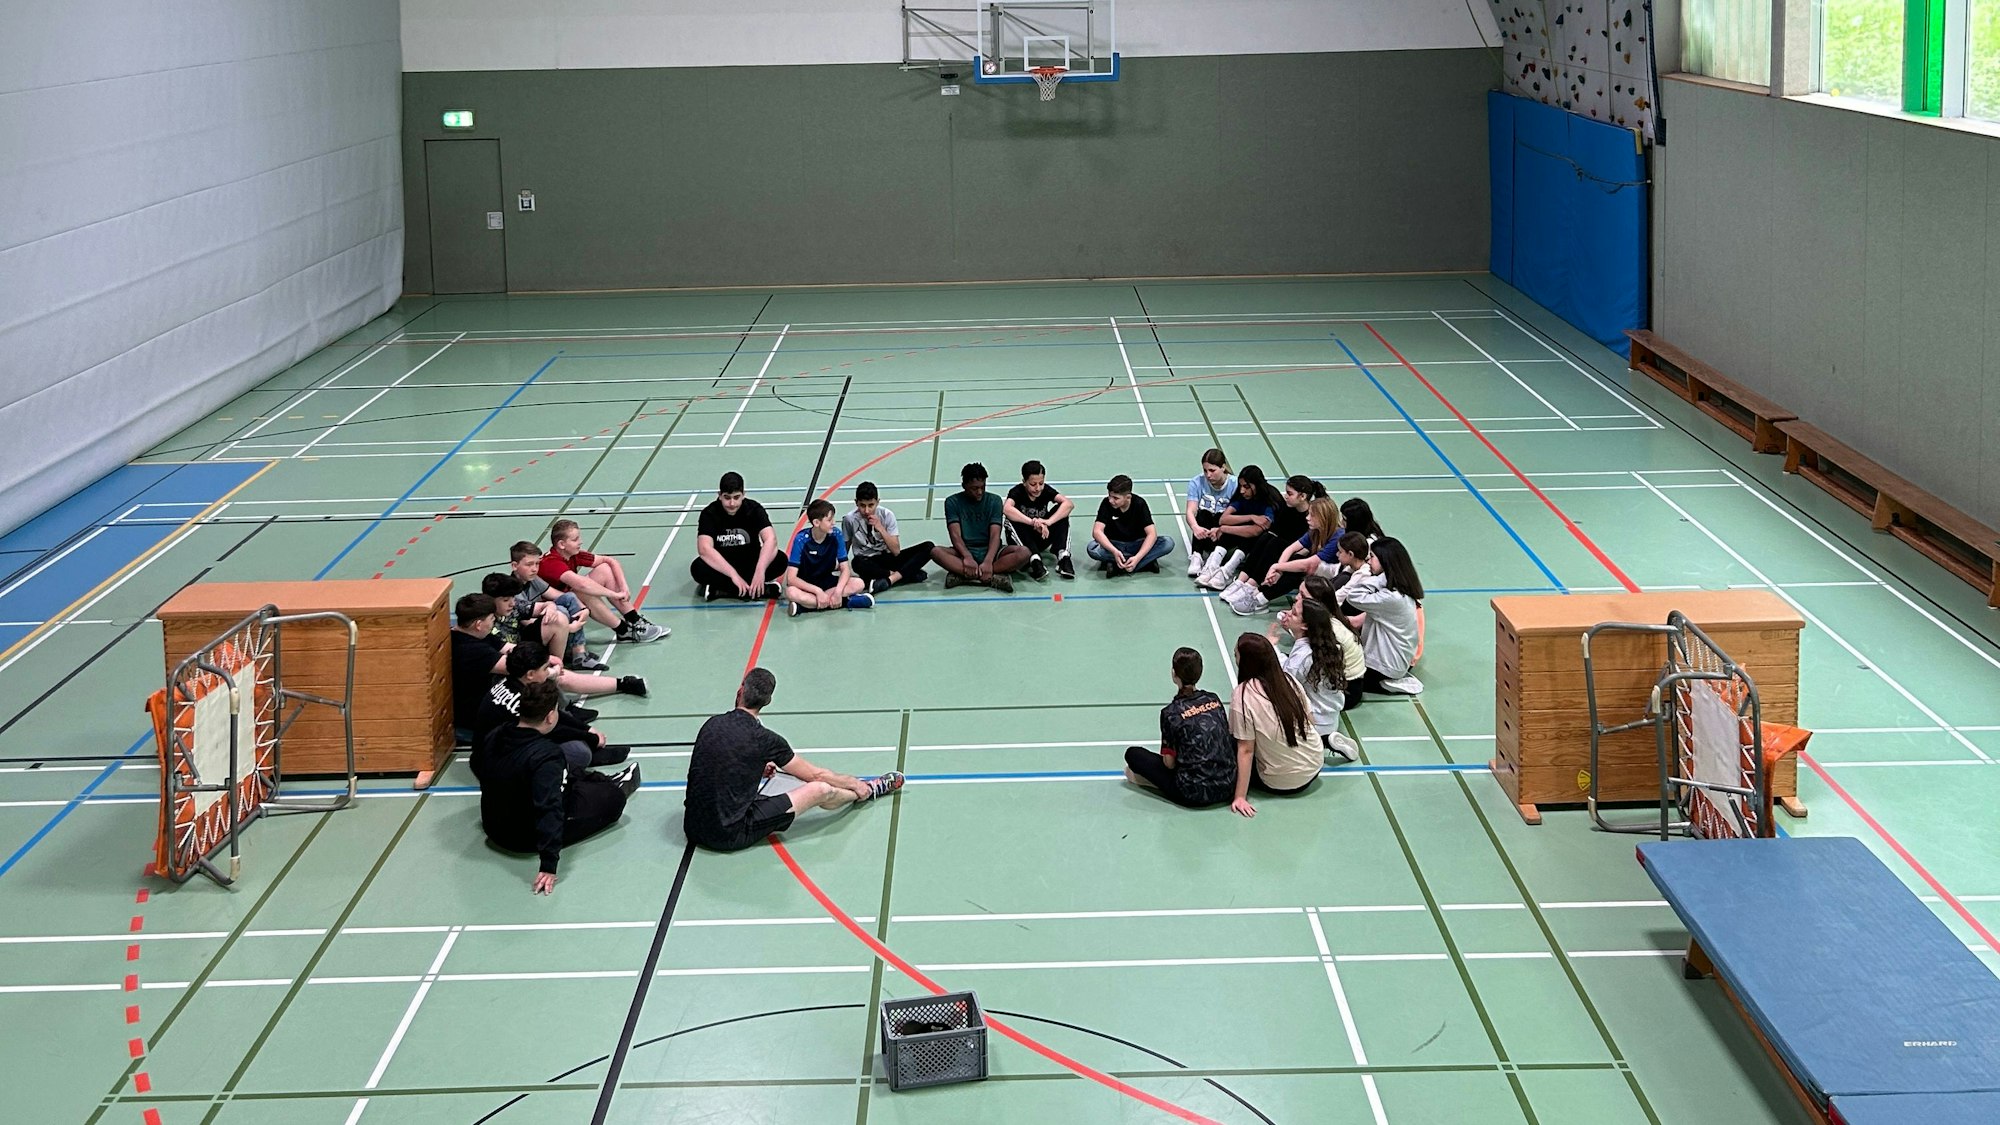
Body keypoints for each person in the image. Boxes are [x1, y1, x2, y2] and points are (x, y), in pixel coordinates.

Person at [683, 668, 904, 852]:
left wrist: (755, 767)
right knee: (820, 789)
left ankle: (862, 789)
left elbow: (714, 764)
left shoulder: (711, 724)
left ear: (740, 691)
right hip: (728, 835)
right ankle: (868, 790)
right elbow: (816, 775)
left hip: (692, 827)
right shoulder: (766, 740)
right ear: (768, 701)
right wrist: (857, 784)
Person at [472, 678, 640, 895]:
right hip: (523, 837)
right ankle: (612, 784)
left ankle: (591, 781)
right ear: (551, 716)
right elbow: (549, 808)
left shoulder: (498, 733)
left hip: (494, 825)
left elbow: (477, 765)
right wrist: (548, 865)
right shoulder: (546, 755)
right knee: (613, 799)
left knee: (563, 775)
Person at [471, 641, 634, 768]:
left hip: (509, 741)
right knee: (579, 753)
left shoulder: (514, 682)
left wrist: (586, 729)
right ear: (530, 674)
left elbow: (554, 715)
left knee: (560, 714)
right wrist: (590, 738)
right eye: (544, 668)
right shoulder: (522, 701)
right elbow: (553, 730)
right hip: (498, 756)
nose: (548, 671)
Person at [1122, 647, 1236, 809]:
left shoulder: (1170, 713)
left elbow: (1169, 764)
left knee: (1133, 755)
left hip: (1192, 793)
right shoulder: (1214, 699)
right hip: (1228, 786)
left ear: (1174, 674)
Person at [1226, 632, 1319, 817]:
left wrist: (1240, 797)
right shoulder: (1289, 680)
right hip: (1314, 766)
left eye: (1236, 653)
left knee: (1230, 741)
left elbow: (1246, 750)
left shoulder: (1243, 695)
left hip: (1278, 782)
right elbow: (1310, 720)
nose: (1234, 655)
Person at [540, 519, 668, 643]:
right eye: (575, 540)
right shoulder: (551, 562)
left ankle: (634, 619)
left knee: (604, 569)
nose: (581, 542)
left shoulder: (572, 554)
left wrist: (624, 587)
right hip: (550, 608)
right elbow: (582, 584)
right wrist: (614, 594)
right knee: (582, 592)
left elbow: (610, 561)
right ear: (562, 544)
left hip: (567, 598)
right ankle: (624, 631)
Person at [1269, 598, 1360, 761]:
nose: (1288, 614)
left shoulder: (1303, 656)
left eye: (1294, 614)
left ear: (1305, 625)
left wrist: (1271, 648)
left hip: (1312, 722)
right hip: (1331, 717)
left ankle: (1320, 742)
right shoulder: (1328, 645)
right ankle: (1326, 738)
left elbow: (1285, 680)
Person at [1216, 483, 1333, 610]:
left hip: (1329, 576)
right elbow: (1291, 548)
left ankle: (1259, 598)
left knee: (1293, 572)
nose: (1308, 518)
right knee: (1268, 540)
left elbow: (1308, 564)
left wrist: (1277, 567)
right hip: (1313, 568)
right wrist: (1277, 571)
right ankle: (1245, 584)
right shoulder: (1313, 531)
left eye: (1312, 515)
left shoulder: (1335, 537)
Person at [1342, 537, 1426, 700]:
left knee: (1341, 680)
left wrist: (1382, 576)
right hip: (1387, 658)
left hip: (1385, 666)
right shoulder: (1399, 591)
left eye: (1372, 556)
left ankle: (1387, 683)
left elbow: (1353, 596)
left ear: (1386, 562)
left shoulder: (1392, 598)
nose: (1368, 560)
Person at [932, 462, 1032, 593]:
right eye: (974, 488)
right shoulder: (952, 502)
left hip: (991, 551)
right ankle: (990, 576)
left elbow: (995, 535)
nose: (979, 492)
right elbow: (955, 535)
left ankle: (968, 575)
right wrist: (967, 556)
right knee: (935, 552)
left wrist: (988, 561)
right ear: (964, 486)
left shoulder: (994, 501)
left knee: (1024, 553)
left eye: (982, 487)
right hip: (964, 551)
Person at [693, 472, 787, 601]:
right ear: (719, 495)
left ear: (744, 494)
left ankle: (723, 590)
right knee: (698, 568)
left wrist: (760, 571)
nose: (732, 503)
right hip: (723, 565)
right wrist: (734, 575)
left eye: (736, 497)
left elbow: (770, 539)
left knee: (781, 560)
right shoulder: (709, 513)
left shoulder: (754, 509)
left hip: (750, 562)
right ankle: (761, 590)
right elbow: (704, 548)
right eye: (727, 497)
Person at [483, 567, 597, 672]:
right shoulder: (485, 624)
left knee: (558, 618)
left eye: (513, 598)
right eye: (506, 600)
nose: (512, 603)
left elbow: (545, 605)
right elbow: (501, 651)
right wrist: (568, 628)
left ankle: (559, 666)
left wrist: (551, 608)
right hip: (510, 658)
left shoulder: (515, 606)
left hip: (523, 643)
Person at [784, 500, 873, 616]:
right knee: (791, 592)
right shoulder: (801, 540)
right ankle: (846, 601)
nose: (833, 523)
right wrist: (817, 591)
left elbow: (845, 569)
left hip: (827, 581)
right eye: (829, 520)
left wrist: (838, 591)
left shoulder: (836, 535)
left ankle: (805, 607)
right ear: (816, 522)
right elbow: (791, 578)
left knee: (859, 583)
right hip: (807, 585)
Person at [1196, 465, 1279, 589]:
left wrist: (1223, 528)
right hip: (1244, 529)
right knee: (1231, 529)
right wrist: (1251, 517)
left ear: (1257, 485)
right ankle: (1212, 566)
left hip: (1263, 541)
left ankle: (1227, 571)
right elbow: (1223, 519)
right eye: (1241, 486)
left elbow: (1255, 531)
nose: (1242, 491)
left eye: (1246, 487)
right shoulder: (1242, 496)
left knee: (1250, 537)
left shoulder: (1270, 500)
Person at [842, 481, 932, 594]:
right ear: (856, 503)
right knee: (856, 563)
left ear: (877, 502)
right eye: (862, 506)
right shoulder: (849, 520)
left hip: (887, 557)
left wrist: (880, 528)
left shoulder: (887, 515)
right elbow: (845, 548)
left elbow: (896, 551)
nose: (866, 511)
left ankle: (891, 579)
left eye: (871, 505)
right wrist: (841, 570)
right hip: (867, 561)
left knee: (929, 547)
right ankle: (904, 574)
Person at [1088, 474, 1175, 575]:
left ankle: (1119, 565)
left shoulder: (1140, 504)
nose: (1111, 500)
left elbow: (1152, 534)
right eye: (1109, 496)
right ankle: (1145, 563)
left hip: (1137, 544)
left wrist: (1137, 557)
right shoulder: (1106, 504)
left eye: (1116, 498)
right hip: (1115, 545)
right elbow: (1097, 531)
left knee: (1168, 543)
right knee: (1092, 548)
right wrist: (1115, 552)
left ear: (1128, 497)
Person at [1003, 460, 1076, 581]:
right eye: (1033, 484)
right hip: (1022, 539)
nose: (1038, 488)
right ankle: (1034, 560)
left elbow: (1068, 504)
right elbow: (1006, 508)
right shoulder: (1017, 492)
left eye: (1041, 483)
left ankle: (1064, 557)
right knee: (1011, 519)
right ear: (1024, 482)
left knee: (1062, 514)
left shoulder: (1046, 490)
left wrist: (1048, 522)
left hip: (1041, 534)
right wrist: (1032, 522)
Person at [450, 593, 510, 741]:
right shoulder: (470, 650)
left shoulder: (473, 634)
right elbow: (519, 666)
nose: (494, 621)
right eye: (491, 618)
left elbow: (509, 648)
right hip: (474, 720)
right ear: (478, 624)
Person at [1184, 448, 1236, 575]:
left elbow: (1238, 516)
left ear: (1223, 467)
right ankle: (1196, 556)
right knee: (1203, 514)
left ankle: (1215, 557)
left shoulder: (1235, 485)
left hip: (1224, 533)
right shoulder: (1196, 482)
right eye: (1205, 470)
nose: (1208, 475)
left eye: (1212, 470)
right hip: (1205, 532)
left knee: (1221, 515)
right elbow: (1190, 511)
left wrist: (1220, 529)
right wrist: (1195, 527)